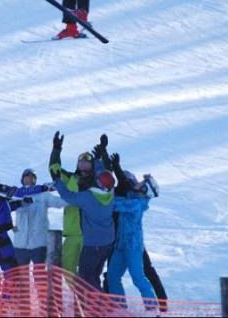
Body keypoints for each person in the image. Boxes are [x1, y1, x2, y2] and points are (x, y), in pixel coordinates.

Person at [0, 162, 49, 316]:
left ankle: (4, 304)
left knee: (11, 272)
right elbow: (15, 192)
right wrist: (43, 188)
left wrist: (20, 204)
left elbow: (1, 207)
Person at [106, 153, 165, 312]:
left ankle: (152, 308)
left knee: (138, 277)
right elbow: (123, 186)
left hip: (133, 246)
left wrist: (105, 199)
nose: (138, 183)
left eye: (143, 184)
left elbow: (116, 204)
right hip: (120, 245)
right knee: (112, 276)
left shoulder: (138, 203)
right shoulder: (131, 194)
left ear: (146, 190)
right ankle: (120, 309)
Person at [48, 131, 108, 273]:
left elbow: (107, 174)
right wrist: (56, 150)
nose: (82, 164)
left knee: (89, 272)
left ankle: (88, 294)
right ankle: (78, 294)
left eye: (86, 162)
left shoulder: (96, 181)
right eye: (80, 162)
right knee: (67, 268)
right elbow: (54, 170)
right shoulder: (70, 179)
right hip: (72, 232)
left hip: (90, 234)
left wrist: (102, 154)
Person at [53, 167, 116, 291]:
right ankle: (97, 303)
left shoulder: (89, 197)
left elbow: (68, 196)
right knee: (94, 275)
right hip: (107, 242)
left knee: (85, 276)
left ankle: (93, 305)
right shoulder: (110, 194)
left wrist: (57, 181)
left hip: (93, 243)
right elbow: (105, 177)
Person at [13, 168, 67, 266]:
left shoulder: (43, 195)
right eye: (27, 176)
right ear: (22, 179)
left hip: (39, 243)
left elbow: (59, 202)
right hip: (20, 243)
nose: (29, 178)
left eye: (32, 177)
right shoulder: (16, 195)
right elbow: (6, 206)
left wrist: (75, 197)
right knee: (21, 276)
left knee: (40, 275)